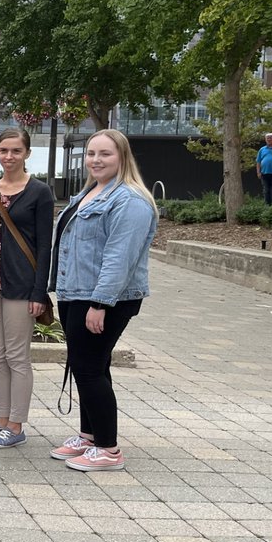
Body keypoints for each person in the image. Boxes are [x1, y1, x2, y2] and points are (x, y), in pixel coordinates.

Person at [50, 129, 157, 472]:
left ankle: (108, 449)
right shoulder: (89, 192)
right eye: (91, 153)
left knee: (89, 368)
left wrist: (101, 303)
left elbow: (118, 257)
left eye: (105, 154)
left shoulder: (130, 200)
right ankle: (90, 436)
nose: (96, 160)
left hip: (102, 298)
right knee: (89, 365)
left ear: (122, 157)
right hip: (76, 292)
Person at [0, 128, 54, 450]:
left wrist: (39, 292)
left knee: (18, 357)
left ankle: (17, 424)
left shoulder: (40, 192)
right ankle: (2, 420)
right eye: (4, 150)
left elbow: (45, 245)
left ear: (27, 153)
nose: (9, 157)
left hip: (22, 285)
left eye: (16, 151)